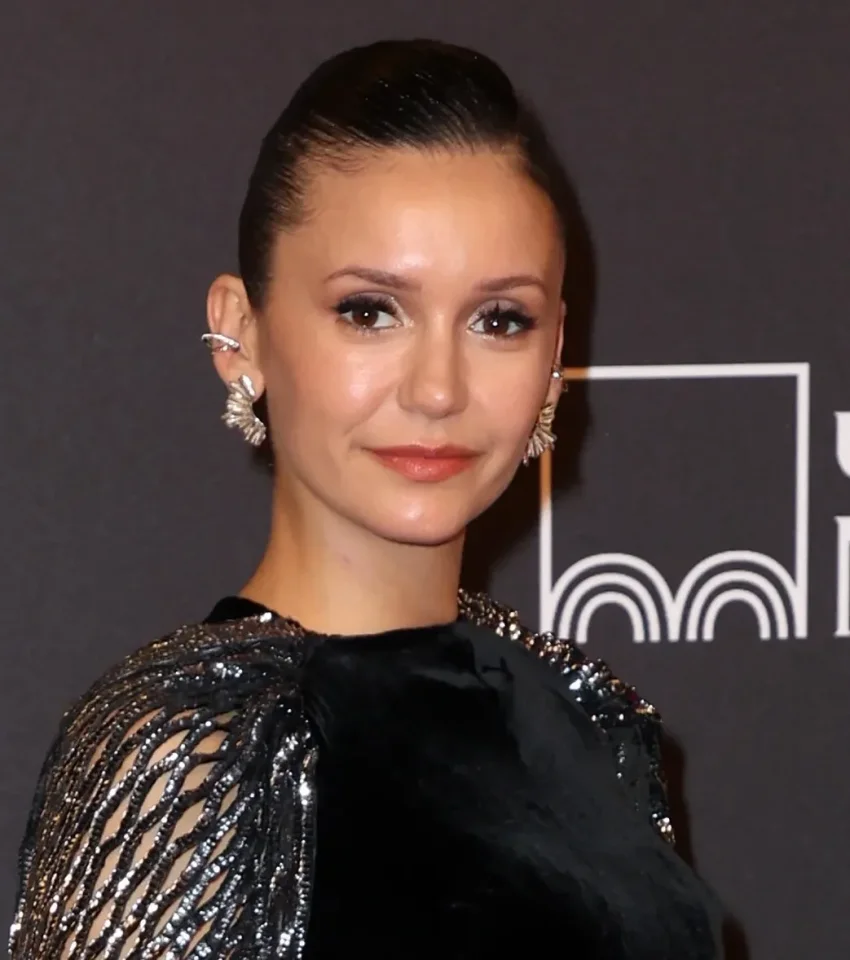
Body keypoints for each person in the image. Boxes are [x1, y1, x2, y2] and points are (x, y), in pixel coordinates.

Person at [9, 38, 722, 960]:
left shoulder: (588, 717)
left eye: (498, 320)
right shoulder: (191, 753)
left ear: (554, 359)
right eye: (370, 311)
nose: (438, 389)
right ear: (240, 334)